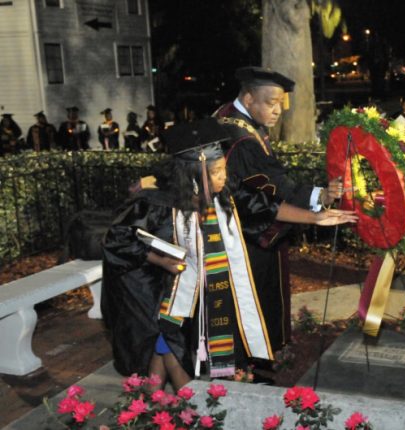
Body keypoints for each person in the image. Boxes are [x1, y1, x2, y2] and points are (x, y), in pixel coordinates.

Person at [102, 118, 355, 389]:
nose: (224, 176)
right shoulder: (158, 204)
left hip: (203, 296)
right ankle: (187, 406)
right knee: (169, 343)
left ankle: (153, 407)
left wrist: (315, 218)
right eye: (218, 171)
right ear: (195, 175)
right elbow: (119, 239)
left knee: (165, 348)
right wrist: (161, 260)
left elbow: (266, 208)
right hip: (161, 292)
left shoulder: (225, 196)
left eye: (224, 169)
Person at [214, 66, 345, 365]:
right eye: (270, 103)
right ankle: (258, 355)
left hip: (231, 226)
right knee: (258, 293)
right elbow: (274, 186)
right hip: (249, 235)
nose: (277, 112)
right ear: (248, 99)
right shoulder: (242, 138)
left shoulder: (226, 115)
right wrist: (321, 196)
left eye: (280, 105)